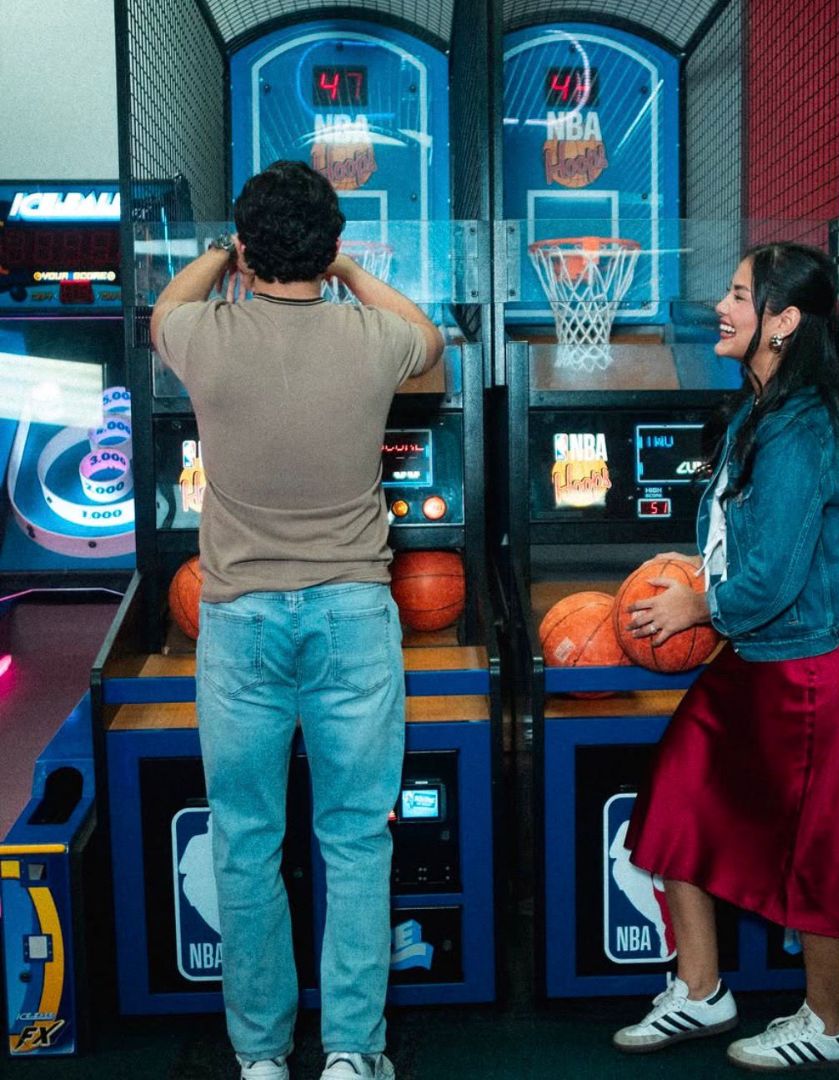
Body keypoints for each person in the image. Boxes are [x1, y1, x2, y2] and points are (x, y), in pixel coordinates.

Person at [150, 160, 445, 1080]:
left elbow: (162, 308)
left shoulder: (201, 333)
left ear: (244, 247)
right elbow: (429, 339)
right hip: (354, 616)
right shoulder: (370, 340)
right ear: (333, 247)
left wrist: (217, 255)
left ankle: (262, 1057)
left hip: (237, 623)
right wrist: (349, 274)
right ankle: (353, 1054)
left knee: (245, 842)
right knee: (355, 840)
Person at [613, 242, 839, 1071]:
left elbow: (772, 578)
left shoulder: (801, 425)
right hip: (759, 654)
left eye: (739, 295)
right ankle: (702, 993)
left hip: (810, 666)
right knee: (674, 803)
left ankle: (829, 1025)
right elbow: (745, 546)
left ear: (783, 320)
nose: (722, 308)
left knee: (820, 849)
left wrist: (696, 604)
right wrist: (699, 575)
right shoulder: (763, 406)